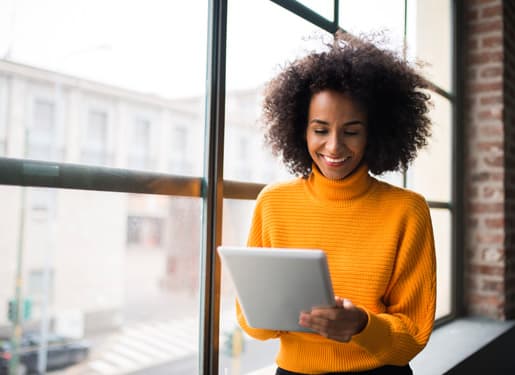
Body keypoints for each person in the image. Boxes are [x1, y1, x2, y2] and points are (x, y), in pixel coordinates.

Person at [236, 31, 437, 375]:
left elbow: (414, 335)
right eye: (320, 129)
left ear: (375, 133)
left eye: (352, 131)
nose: (333, 147)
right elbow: (253, 325)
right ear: (300, 130)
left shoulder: (407, 210)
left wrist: (362, 326)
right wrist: (270, 314)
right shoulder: (273, 203)